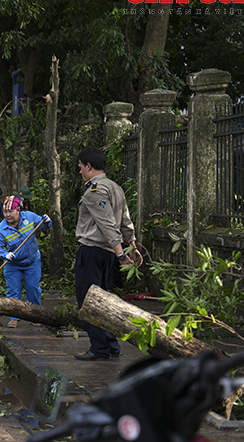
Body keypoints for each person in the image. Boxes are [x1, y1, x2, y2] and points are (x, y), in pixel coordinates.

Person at [74, 147, 142, 361]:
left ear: (88, 166)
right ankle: (111, 344)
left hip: (93, 252)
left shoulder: (95, 191)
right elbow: (125, 220)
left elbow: (107, 225)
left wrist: (122, 255)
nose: (80, 172)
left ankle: (99, 348)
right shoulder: (115, 187)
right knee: (105, 299)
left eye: (80, 167)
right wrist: (132, 244)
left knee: (88, 300)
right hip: (107, 254)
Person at [0, 195, 51, 328]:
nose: (7, 215)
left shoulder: (29, 217)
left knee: (33, 288)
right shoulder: (1, 229)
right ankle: (14, 317)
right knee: (13, 291)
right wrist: (5, 255)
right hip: (13, 264)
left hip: (32, 261)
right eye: (5, 212)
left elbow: (44, 225)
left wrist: (47, 221)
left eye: (11, 211)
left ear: (19, 210)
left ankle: (35, 315)